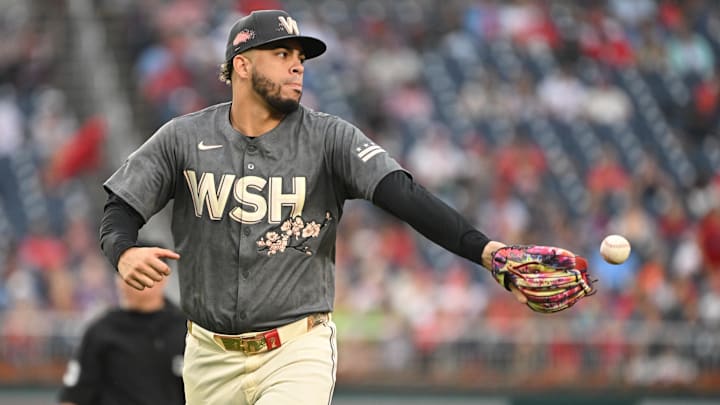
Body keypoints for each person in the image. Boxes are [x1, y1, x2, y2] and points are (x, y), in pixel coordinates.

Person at [99, 9, 545, 404]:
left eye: (301, 57)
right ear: (242, 64)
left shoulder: (330, 138)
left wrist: (487, 252)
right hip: (208, 356)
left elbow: (406, 197)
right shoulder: (184, 136)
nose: (297, 65)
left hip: (295, 348)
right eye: (282, 54)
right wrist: (123, 250)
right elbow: (120, 206)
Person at [58, 274, 186, 405]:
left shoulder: (187, 330)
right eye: (126, 273)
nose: (134, 280)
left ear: (163, 277)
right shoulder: (101, 331)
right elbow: (74, 396)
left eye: (144, 272)